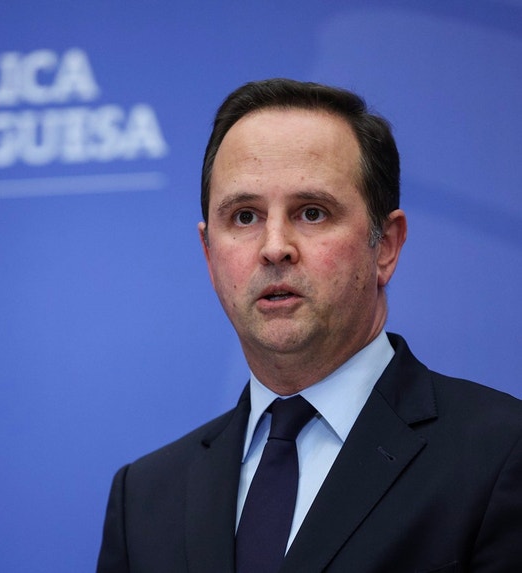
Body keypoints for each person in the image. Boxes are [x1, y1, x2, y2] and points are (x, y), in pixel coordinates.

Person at [96, 78, 522, 572]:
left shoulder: (500, 453)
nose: (275, 247)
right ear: (209, 255)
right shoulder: (144, 497)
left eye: (312, 213)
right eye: (245, 216)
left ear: (386, 246)